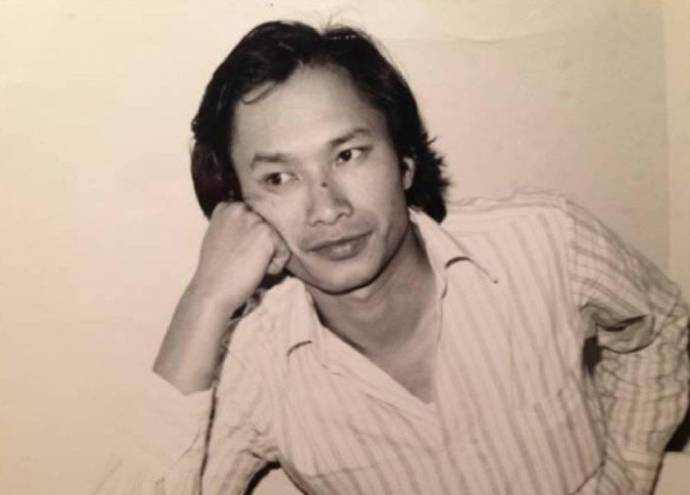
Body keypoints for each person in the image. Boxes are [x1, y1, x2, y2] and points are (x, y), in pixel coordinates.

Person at [96, 20, 689, 495]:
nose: (327, 208)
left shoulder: (545, 241)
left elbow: (660, 326)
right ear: (241, 213)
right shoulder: (257, 368)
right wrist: (205, 300)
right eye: (279, 178)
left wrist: (625, 475)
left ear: (405, 162)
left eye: (348, 155)